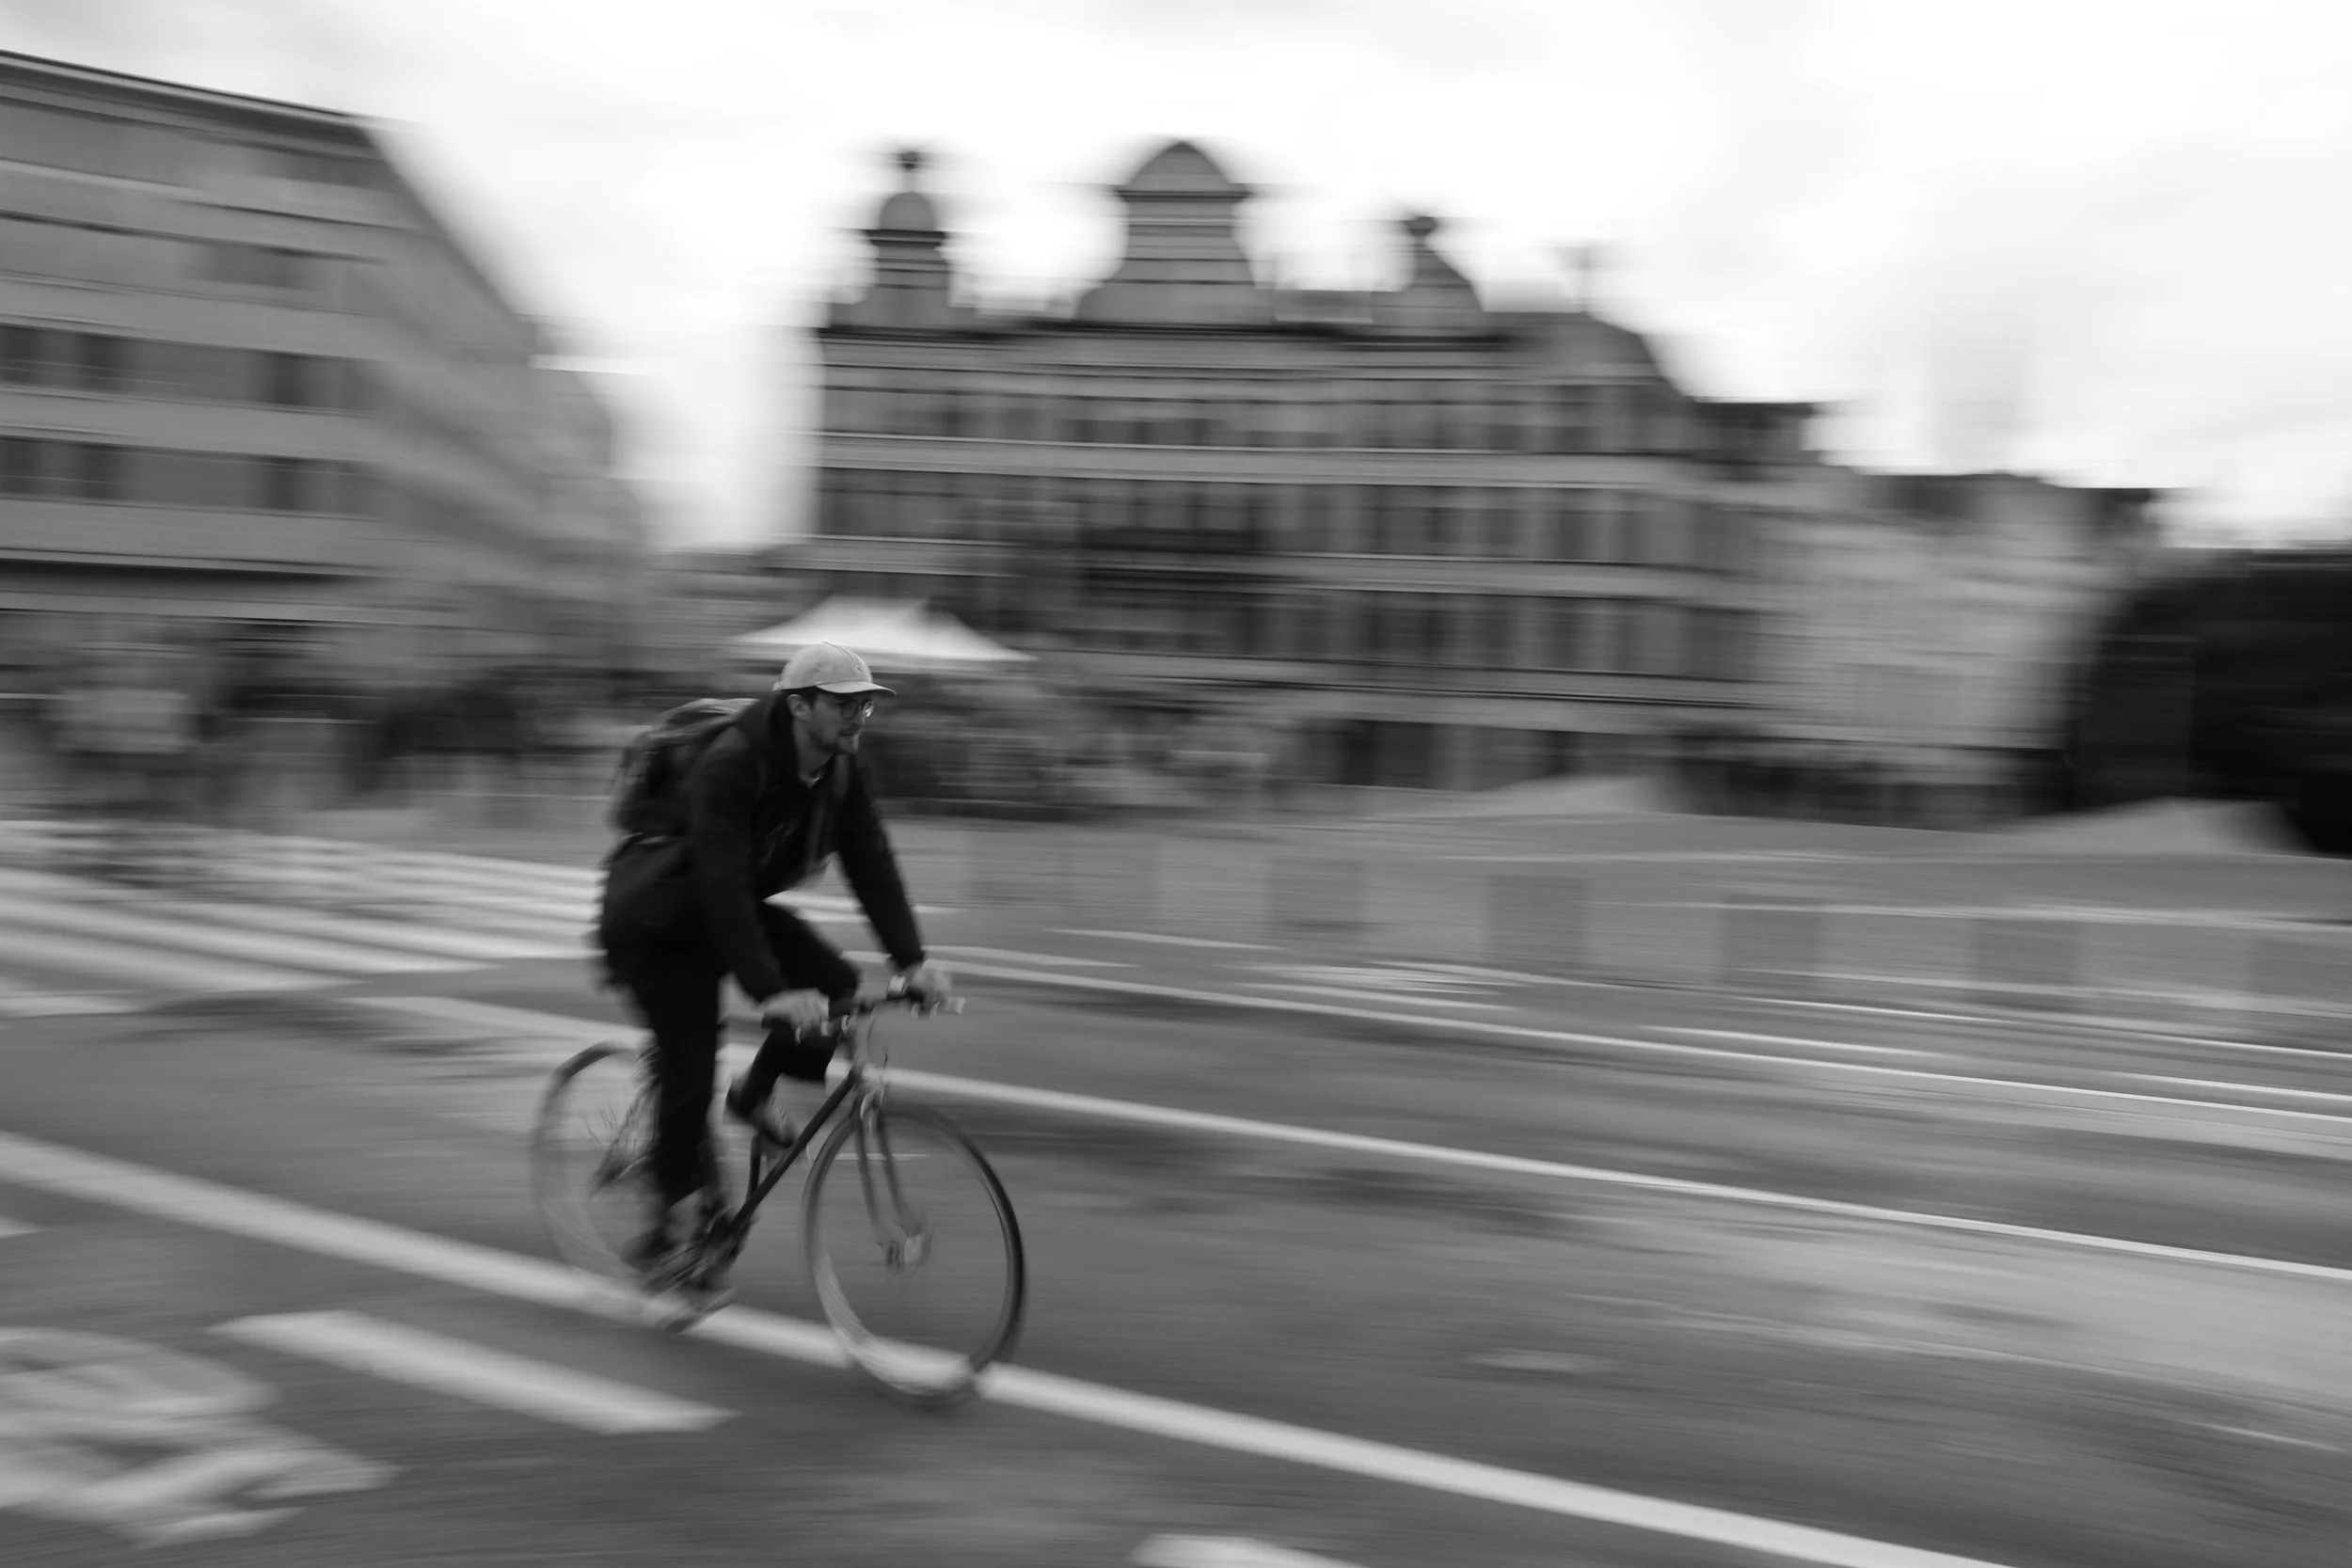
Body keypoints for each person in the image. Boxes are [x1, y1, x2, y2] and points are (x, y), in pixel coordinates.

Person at [600, 641, 947, 1276]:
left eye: (865, 706)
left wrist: (912, 960)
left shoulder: (840, 768)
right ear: (798, 704)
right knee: (690, 1068)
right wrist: (770, 991)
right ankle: (669, 1222)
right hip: (659, 918)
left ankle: (752, 1094)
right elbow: (720, 881)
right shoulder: (733, 762)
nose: (857, 717)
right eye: (843, 704)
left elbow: (871, 859)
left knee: (835, 983)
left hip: (722, 908)